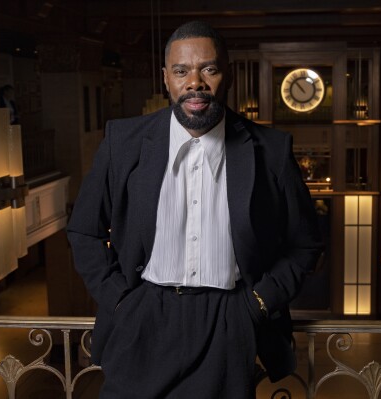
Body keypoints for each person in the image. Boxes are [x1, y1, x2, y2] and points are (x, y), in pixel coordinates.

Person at [67, 20, 323, 398]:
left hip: (230, 322)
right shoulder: (123, 142)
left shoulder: (270, 150)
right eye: (181, 70)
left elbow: (305, 244)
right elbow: (84, 230)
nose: (195, 82)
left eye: (209, 68)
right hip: (143, 317)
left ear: (227, 75)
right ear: (166, 79)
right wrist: (120, 299)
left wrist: (258, 303)